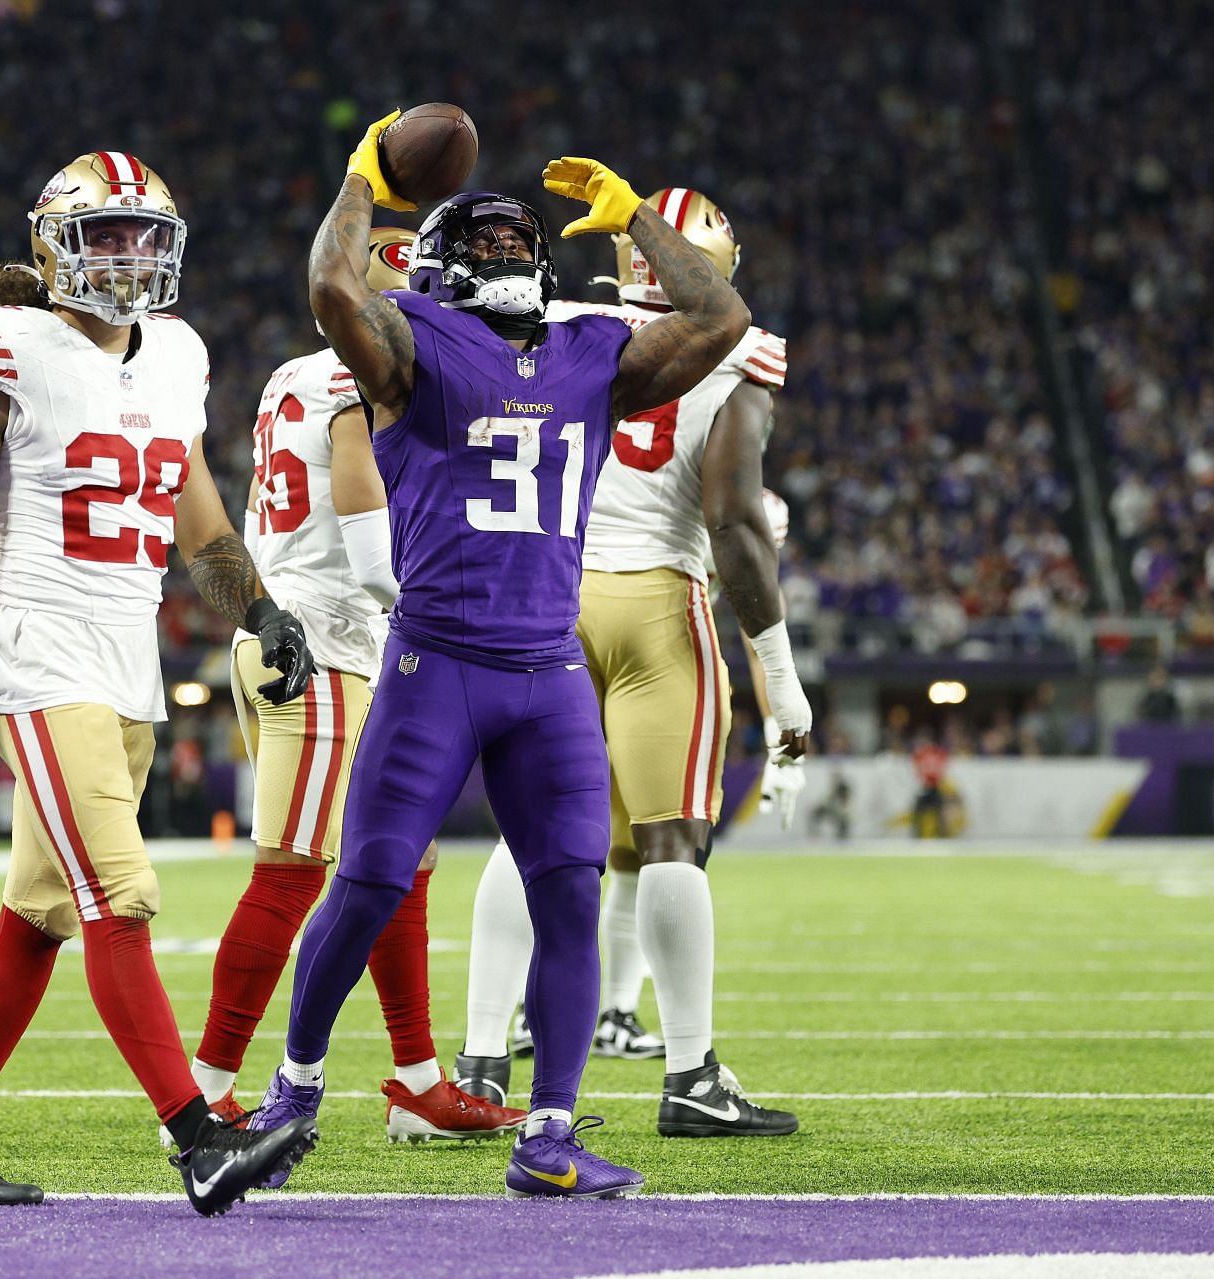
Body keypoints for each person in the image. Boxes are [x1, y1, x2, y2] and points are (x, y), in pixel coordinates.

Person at [244, 113, 750, 1200]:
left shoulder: (579, 351)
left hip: (545, 671)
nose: (509, 257)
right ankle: (293, 1088)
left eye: (519, 244)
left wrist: (641, 225)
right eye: (497, 247)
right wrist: (359, 179)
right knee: (371, 882)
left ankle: (549, 1132)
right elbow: (338, 293)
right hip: (440, 661)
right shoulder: (434, 349)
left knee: (568, 891)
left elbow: (720, 317)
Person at [0, 152, 319, 1215]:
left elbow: (195, 508)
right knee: (122, 894)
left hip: (126, 664)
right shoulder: (2, 343)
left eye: (142, 235)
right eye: (104, 234)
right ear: (51, 246)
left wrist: (258, 607)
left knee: (39, 913)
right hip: (38, 649)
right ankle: (200, 1139)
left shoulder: (177, 355)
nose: (127, 255)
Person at [454, 192, 809, 1139]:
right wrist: (780, 670)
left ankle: (484, 1064)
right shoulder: (737, 349)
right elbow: (735, 524)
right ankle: (691, 1073)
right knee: (671, 843)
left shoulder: (559, 320)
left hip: (545, 597)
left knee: (525, 839)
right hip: (659, 605)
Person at [195, 227, 524, 1143]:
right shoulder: (349, 373)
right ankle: (205, 1089)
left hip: (321, 637)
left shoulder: (293, 372)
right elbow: (363, 519)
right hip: (321, 639)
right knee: (294, 873)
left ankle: (417, 1079)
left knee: (399, 867)